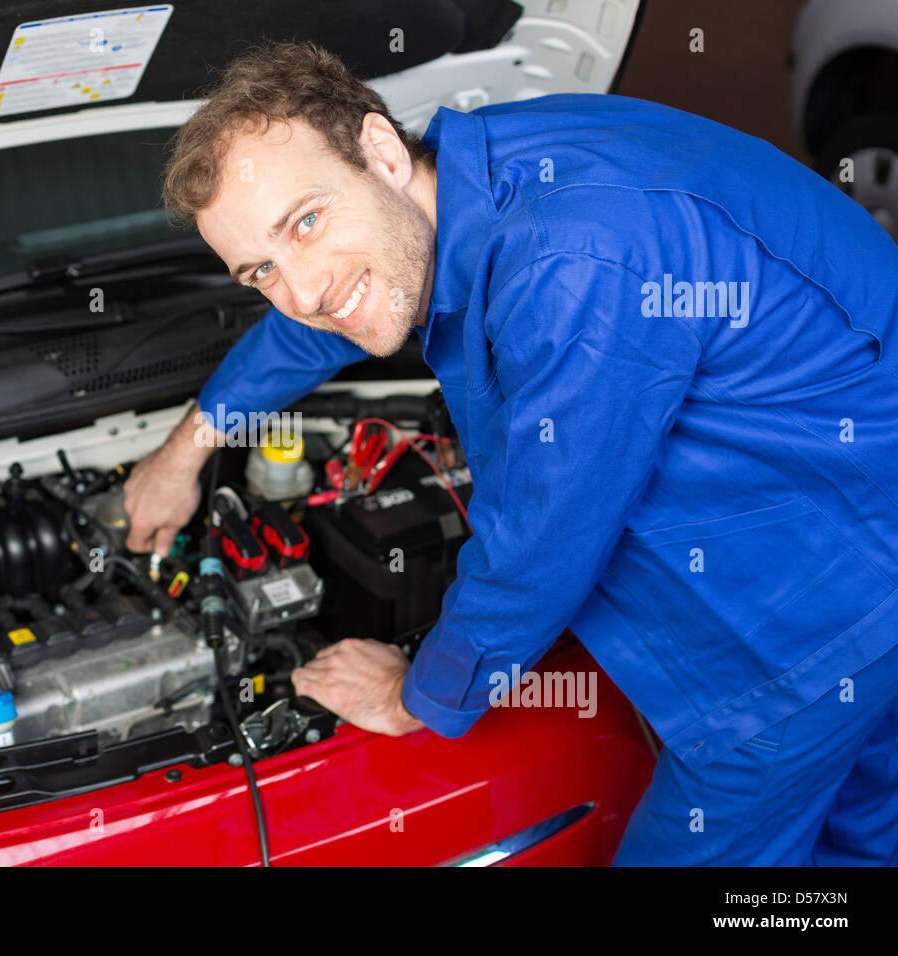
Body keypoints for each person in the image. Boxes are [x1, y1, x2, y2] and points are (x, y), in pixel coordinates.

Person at [121, 41, 898, 865]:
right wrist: (184, 454)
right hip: (844, 519)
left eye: (305, 221)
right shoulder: (466, 176)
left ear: (381, 150)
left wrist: (418, 694)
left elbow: (542, 542)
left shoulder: (572, 258)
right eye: (261, 270)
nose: (302, 290)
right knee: (864, 837)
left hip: (814, 616)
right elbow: (321, 316)